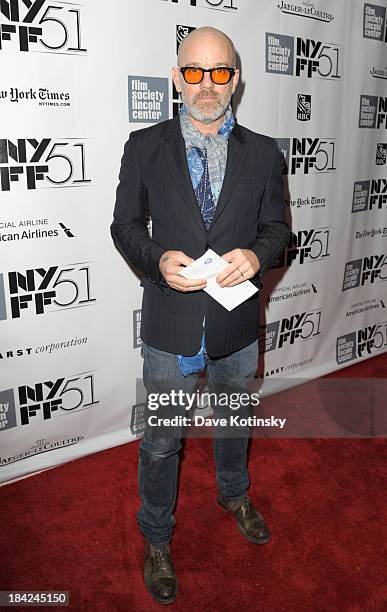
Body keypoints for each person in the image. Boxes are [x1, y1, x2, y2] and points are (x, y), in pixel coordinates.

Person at [111, 26, 289, 605]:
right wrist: (155, 258)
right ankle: (157, 538)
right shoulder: (144, 146)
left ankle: (233, 492)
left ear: (235, 79)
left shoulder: (264, 152)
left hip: (237, 326)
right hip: (171, 328)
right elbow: (125, 227)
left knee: (235, 421)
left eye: (219, 72)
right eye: (194, 71)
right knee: (162, 441)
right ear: (176, 77)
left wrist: (257, 255)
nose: (207, 84)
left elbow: (279, 228)